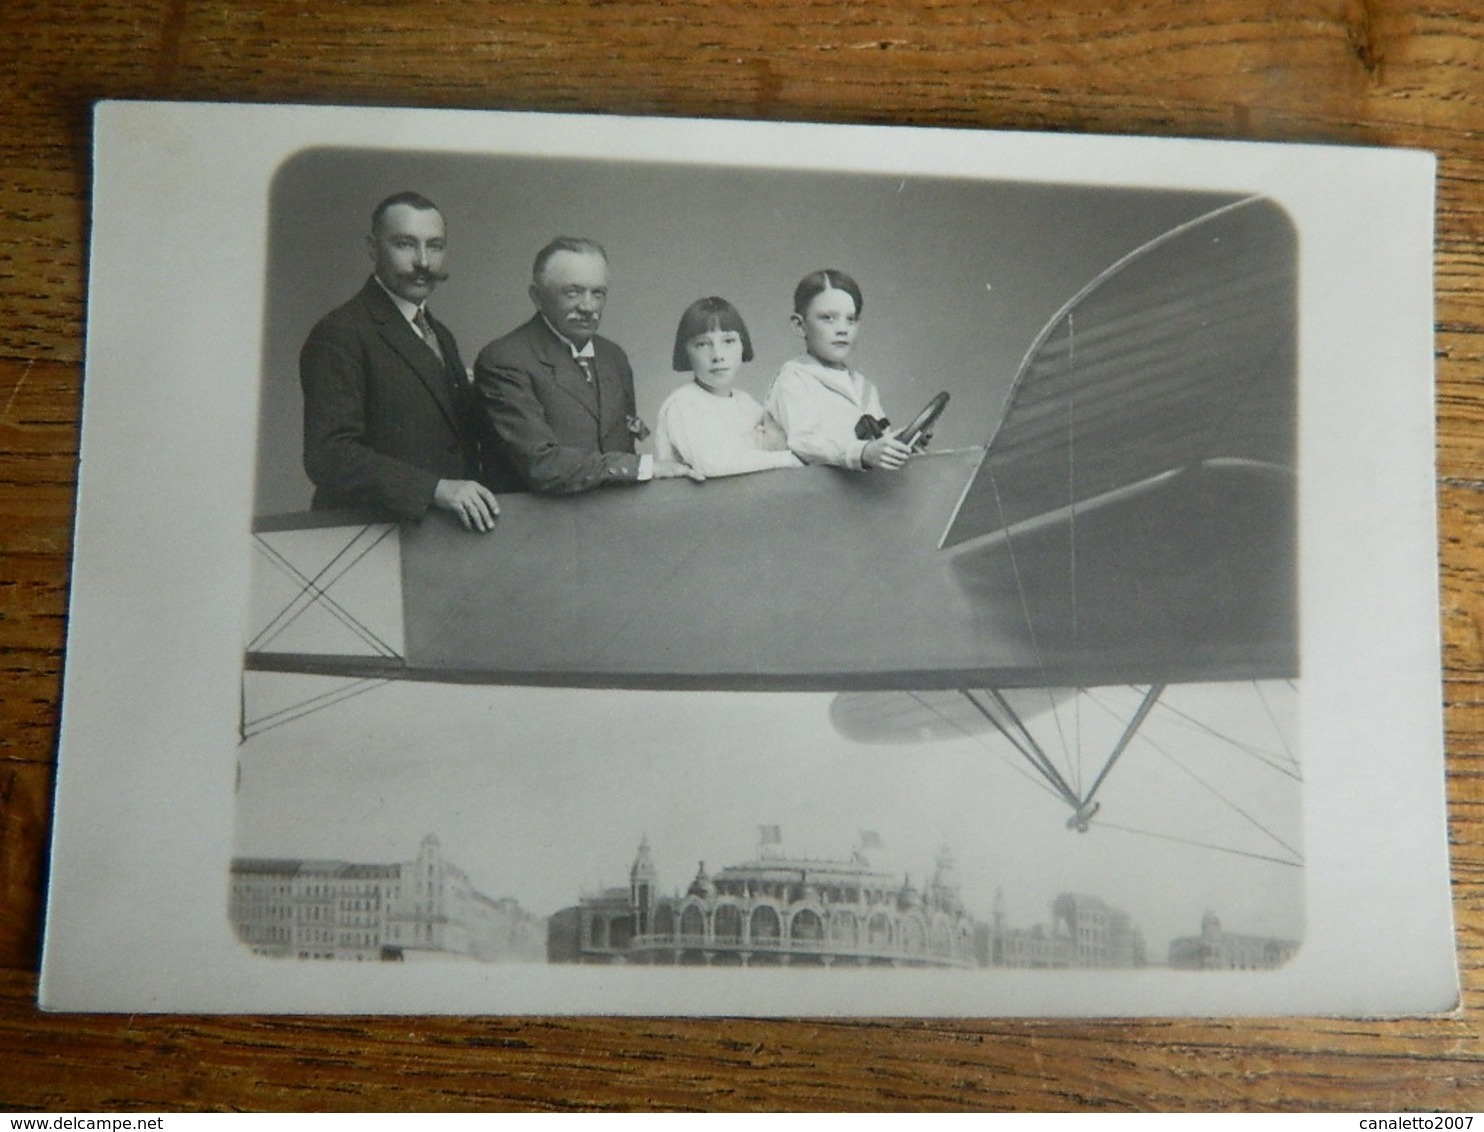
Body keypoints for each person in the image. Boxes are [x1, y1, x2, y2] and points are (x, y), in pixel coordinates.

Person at [300, 191, 499, 531]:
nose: (423, 261)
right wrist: (435, 489)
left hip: (436, 538)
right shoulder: (341, 333)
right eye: (406, 244)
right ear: (373, 248)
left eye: (435, 246)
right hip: (369, 539)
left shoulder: (440, 335)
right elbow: (329, 456)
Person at [475, 237, 698, 494]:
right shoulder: (505, 360)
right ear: (537, 296)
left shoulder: (613, 357)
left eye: (598, 293)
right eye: (573, 292)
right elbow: (542, 465)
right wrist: (643, 467)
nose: (588, 307)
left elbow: (621, 447)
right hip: (539, 528)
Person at [764, 268, 915, 473]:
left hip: (854, 495)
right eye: (828, 318)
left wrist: (901, 443)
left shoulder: (864, 387)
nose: (842, 329)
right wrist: (861, 452)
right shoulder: (794, 379)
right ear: (800, 325)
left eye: (850, 319)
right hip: (802, 494)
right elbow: (804, 442)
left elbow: (878, 441)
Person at [653, 297, 802, 478]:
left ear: (742, 346)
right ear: (685, 352)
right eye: (702, 344)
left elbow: (775, 445)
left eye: (728, 341)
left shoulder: (745, 402)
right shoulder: (683, 403)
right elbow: (713, 464)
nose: (717, 355)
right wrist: (786, 459)